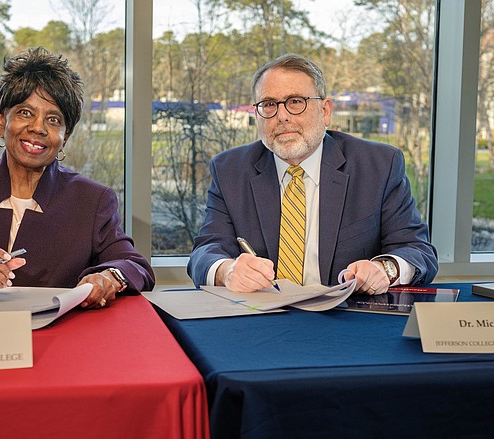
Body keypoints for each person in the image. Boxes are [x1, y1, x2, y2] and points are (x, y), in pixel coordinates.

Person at [0, 47, 154, 308]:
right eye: (25, 113)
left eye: (53, 119)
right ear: (1, 120)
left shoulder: (92, 200)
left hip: (56, 337)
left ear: (65, 137)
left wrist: (108, 276)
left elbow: (133, 265)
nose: (38, 128)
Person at [187, 53, 437, 294]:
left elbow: (417, 249)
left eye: (296, 101)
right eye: (269, 104)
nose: (282, 116)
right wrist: (226, 270)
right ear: (257, 115)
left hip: (345, 319)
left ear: (326, 111)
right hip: (260, 318)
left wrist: (385, 269)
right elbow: (205, 251)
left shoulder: (379, 166)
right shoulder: (230, 169)